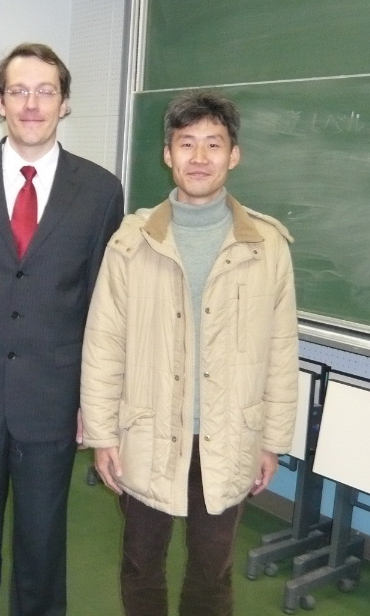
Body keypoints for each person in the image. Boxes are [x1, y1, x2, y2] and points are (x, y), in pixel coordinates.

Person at [80, 90, 299, 616]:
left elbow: (281, 348)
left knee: (212, 570)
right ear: (167, 154)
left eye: (213, 144)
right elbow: (104, 342)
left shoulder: (267, 246)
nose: (199, 157)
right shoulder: (131, 242)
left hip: (229, 436)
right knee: (140, 564)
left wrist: (272, 441)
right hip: (147, 434)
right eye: (186, 143)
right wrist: (103, 435)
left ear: (234, 155)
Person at [0, 43, 124, 616]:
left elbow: (103, 308)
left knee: (42, 548)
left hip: (53, 398)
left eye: (45, 91)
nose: (31, 104)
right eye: (19, 91)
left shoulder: (101, 190)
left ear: (64, 103)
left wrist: (95, 401)